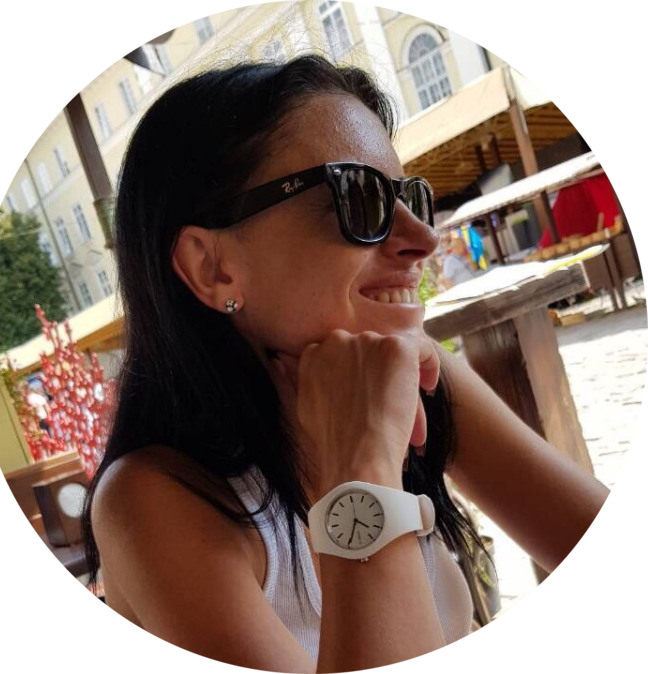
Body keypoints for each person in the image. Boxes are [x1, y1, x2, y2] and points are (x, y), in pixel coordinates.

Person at [81, 54, 609, 669]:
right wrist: (363, 464)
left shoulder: (415, 375)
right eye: (359, 199)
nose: (423, 240)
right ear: (212, 267)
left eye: (409, 197)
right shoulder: (154, 501)